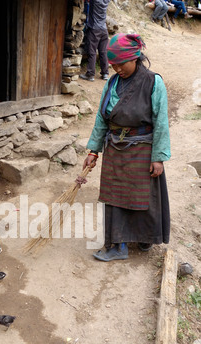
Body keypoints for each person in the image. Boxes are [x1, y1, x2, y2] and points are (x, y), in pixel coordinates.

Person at [82, 33, 171, 261]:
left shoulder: (153, 82)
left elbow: (160, 121)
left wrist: (158, 157)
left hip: (142, 148)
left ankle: (145, 238)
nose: (117, 69)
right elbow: (102, 118)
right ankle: (117, 246)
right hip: (114, 148)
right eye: (113, 65)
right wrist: (94, 150)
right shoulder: (112, 83)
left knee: (143, 198)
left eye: (121, 64)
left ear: (135, 58)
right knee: (114, 198)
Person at [80, 0, 110, 82]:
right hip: (104, 30)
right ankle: (105, 73)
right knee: (103, 52)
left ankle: (90, 74)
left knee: (92, 52)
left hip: (94, 29)